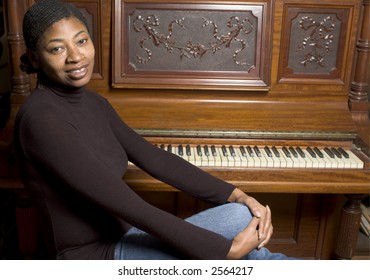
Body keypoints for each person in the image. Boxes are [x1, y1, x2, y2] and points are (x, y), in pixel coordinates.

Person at [14, 0, 294, 260]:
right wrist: (224, 252)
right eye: (57, 48)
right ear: (35, 58)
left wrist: (237, 194)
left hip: (128, 234)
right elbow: (127, 204)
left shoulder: (93, 102)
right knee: (249, 257)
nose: (76, 56)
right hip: (95, 255)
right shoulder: (40, 120)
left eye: (82, 41)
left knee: (241, 216)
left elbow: (154, 158)